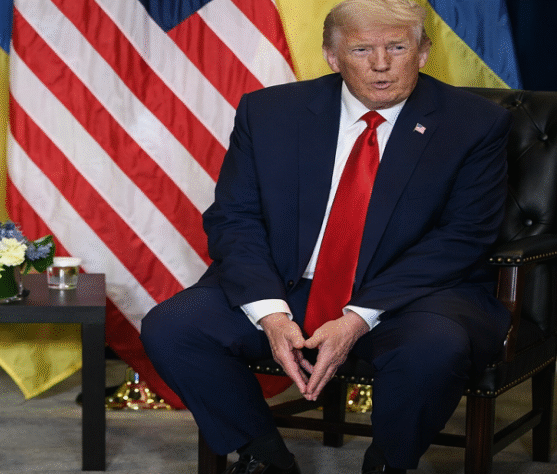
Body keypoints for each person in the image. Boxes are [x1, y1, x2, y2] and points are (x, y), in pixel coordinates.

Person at [139, 0, 512, 473]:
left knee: (433, 349)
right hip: (291, 286)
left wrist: (358, 317)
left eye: (397, 47)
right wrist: (271, 314)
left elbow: (463, 236)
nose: (381, 64)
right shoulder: (269, 112)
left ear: (423, 52)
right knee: (173, 326)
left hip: (411, 295)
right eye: (361, 50)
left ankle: (387, 464)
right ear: (332, 57)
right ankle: (264, 457)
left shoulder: (474, 123)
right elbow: (234, 218)